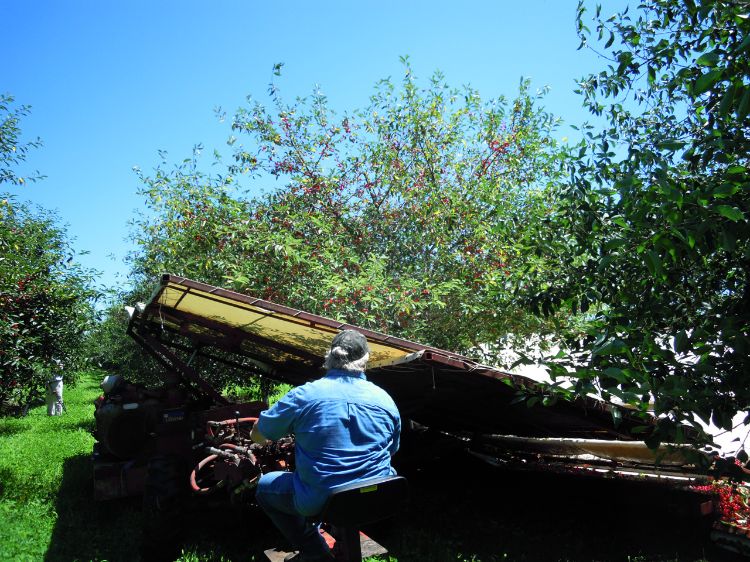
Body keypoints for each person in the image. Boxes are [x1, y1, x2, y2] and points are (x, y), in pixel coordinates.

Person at [250, 329, 401, 562]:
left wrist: (257, 436)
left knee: (265, 487)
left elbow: (261, 434)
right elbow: (392, 450)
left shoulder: (305, 395)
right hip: (378, 497)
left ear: (329, 356)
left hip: (323, 499)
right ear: (366, 359)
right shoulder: (385, 399)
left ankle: (315, 552)